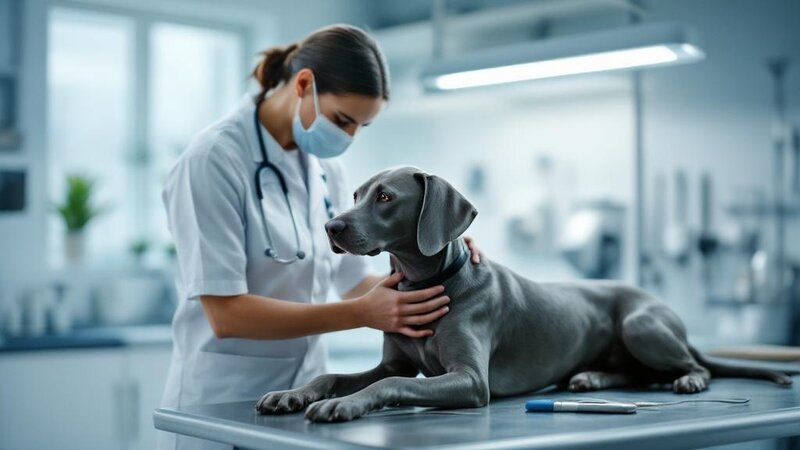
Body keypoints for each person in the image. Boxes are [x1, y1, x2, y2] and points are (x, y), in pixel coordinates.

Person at [158, 24, 480, 450]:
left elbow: (353, 281)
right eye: (343, 120)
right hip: (222, 404)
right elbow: (226, 313)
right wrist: (364, 314)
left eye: (359, 128)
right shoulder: (214, 158)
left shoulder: (326, 169)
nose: (347, 138)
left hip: (302, 402)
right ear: (304, 83)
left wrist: (441, 252)